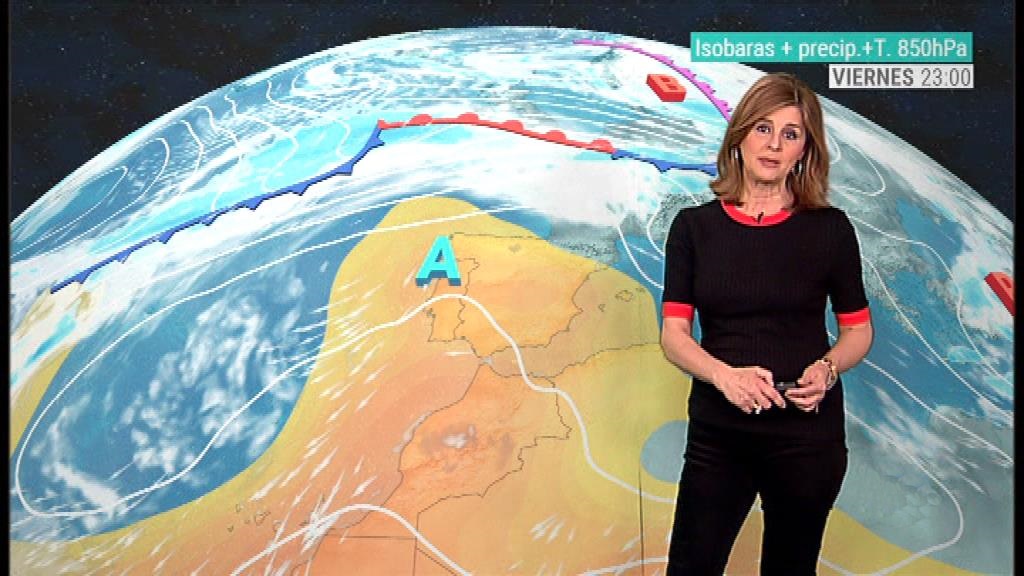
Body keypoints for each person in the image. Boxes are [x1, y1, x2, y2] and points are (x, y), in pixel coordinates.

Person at [660, 72, 874, 575]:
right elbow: (673, 337)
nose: (774, 145)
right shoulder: (694, 228)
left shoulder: (830, 230)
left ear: (805, 150)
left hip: (806, 437)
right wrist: (724, 377)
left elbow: (858, 331)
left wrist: (827, 369)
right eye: (763, 128)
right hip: (719, 434)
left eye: (790, 134)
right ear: (740, 137)